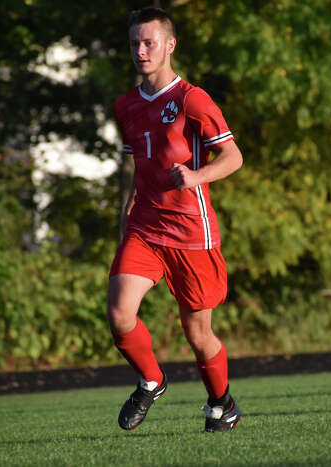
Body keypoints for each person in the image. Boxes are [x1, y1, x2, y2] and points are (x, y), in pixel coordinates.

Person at [108, 7, 243, 433]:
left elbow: (233, 157)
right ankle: (151, 379)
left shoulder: (191, 99)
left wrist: (196, 176)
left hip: (191, 231)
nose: (141, 50)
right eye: (135, 43)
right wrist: (127, 210)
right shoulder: (125, 105)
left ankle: (222, 403)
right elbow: (136, 165)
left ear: (170, 45)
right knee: (119, 314)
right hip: (146, 227)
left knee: (198, 335)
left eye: (149, 42)